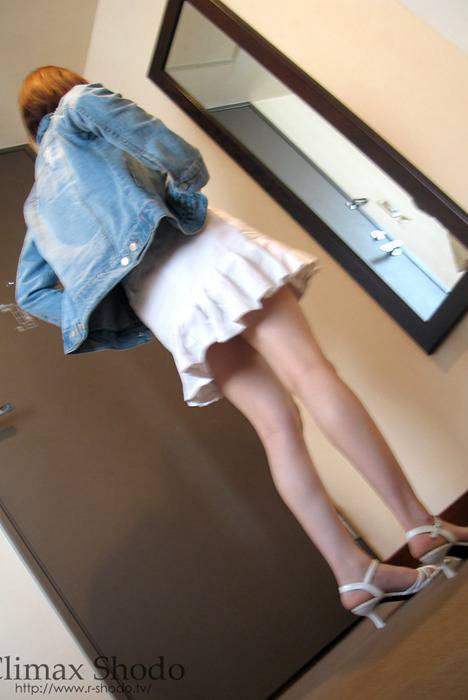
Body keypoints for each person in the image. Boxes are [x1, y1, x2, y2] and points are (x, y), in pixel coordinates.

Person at [17, 66, 467, 630]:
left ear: (30, 124)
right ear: (64, 88)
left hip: (165, 304)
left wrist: (125, 314)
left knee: (276, 428)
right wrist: (185, 189)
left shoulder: (37, 205)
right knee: (311, 374)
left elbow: (32, 291)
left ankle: (352, 571)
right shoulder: (82, 104)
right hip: (205, 254)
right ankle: (420, 524)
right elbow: (176, 155)